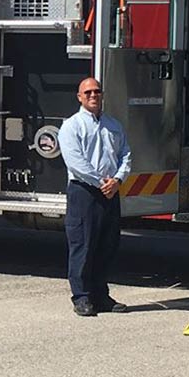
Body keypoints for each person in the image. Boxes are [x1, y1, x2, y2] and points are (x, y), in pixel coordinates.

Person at [59, 77, 131, 316]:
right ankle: (81, 297)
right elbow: (76, 162)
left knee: (106, 245)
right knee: (83, 245)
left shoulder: (114, 125)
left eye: (97, 91)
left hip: (110, 192)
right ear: (79, 97)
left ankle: (101, 295)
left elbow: (126, 155)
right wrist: (102, 183)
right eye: (87, 92)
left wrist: (118, 180)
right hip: (84, 192)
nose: (93, 95)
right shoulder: (72, 126)